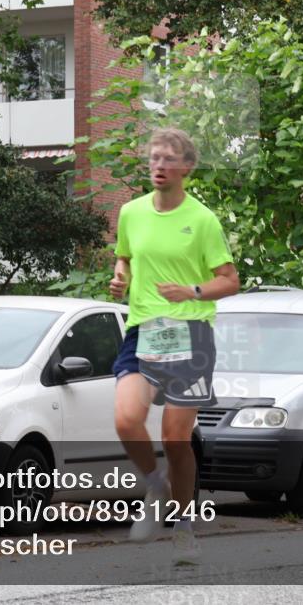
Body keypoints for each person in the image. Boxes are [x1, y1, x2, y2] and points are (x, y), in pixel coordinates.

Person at [110, 127, 240, 565]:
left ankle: (183, 529)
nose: (159, 166)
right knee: (127, 421)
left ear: (186, 167)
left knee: (176, 439)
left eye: (168, 160)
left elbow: (230, 280)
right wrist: (121, 274)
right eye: (153, 159)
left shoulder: (203, 220)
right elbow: (125, 254)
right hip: (144, 328)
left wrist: (193, 291)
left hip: (191, 335)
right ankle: (155, 484)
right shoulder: (131, 212)